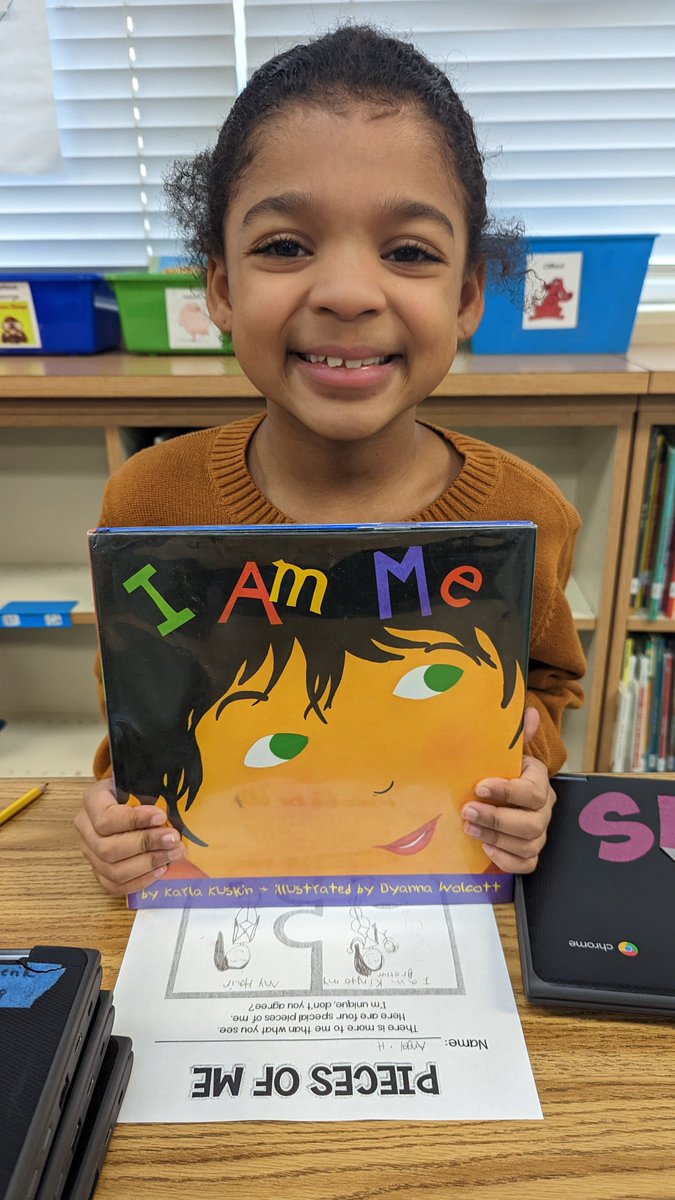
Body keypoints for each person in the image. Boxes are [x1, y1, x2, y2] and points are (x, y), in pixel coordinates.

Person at [75, 24, 585, 896]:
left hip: (441, 895)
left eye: (408, 253)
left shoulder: (525, 512)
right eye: (284, 246)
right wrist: (115, 814)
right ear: (223, 290)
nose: (348, 293)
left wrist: (530, 774)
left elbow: (545, 689)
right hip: (224, 898)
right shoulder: (150, 499)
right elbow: (141, 714)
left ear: (466, 297)